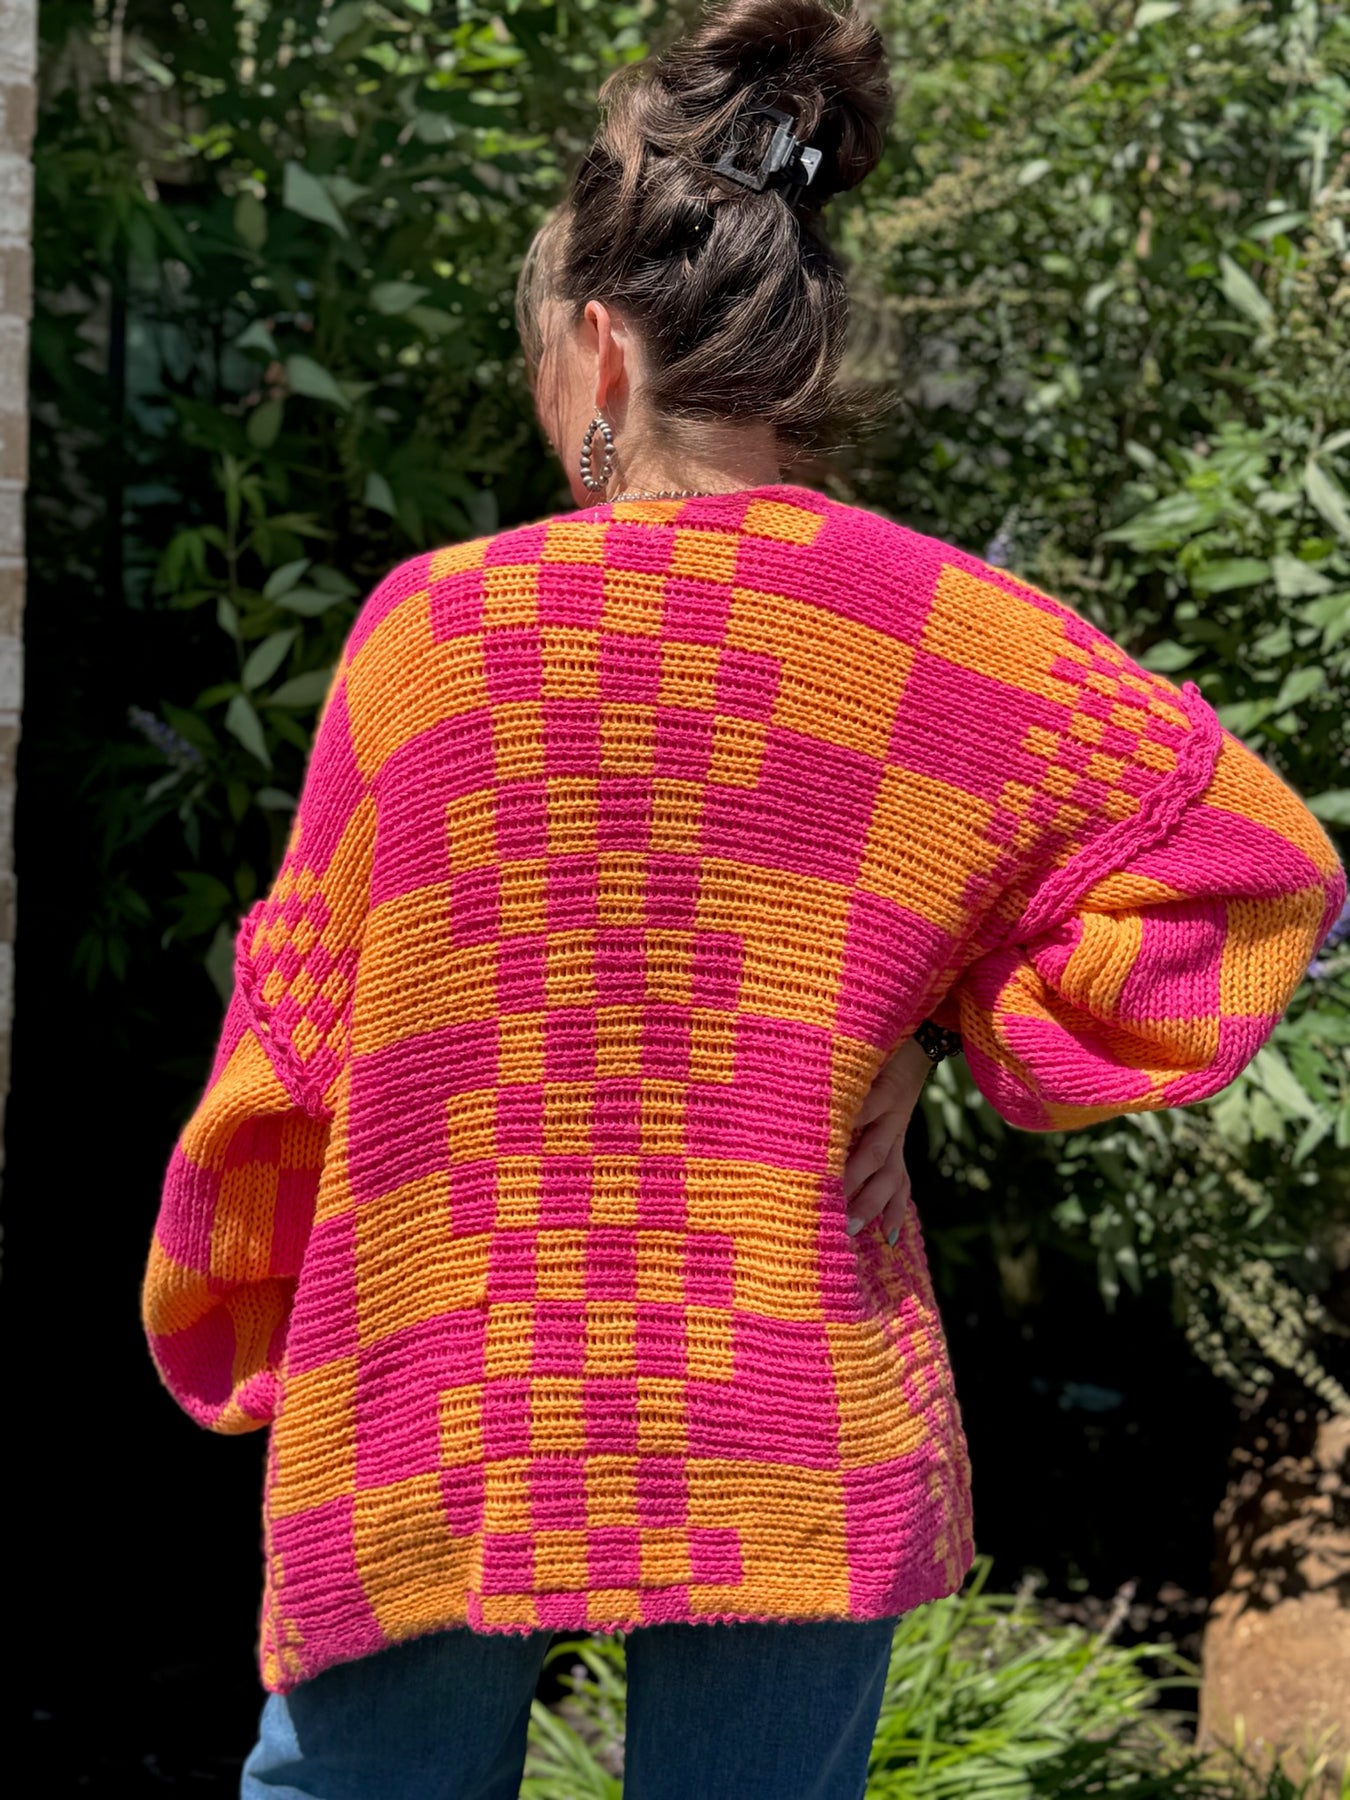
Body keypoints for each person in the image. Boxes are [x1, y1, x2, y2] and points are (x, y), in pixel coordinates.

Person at [140, 2, 1346, 1796]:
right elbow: (1263, 866)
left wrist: (239, 1302)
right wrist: (941, 1030)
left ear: (601, 351)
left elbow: (292, 1051)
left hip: (444, 1364)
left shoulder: (434, 637)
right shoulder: (939, 634)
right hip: (788, 1376)